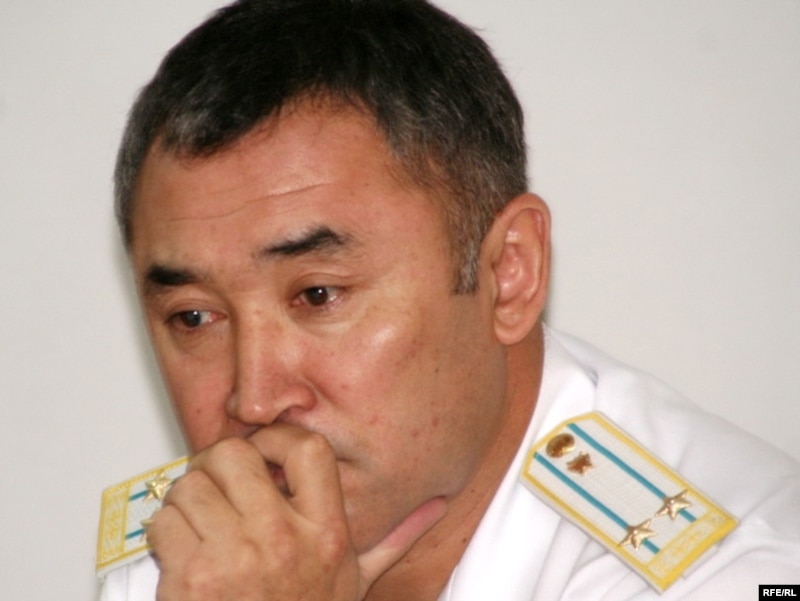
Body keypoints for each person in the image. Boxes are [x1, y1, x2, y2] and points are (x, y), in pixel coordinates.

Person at [99, 0, 800, 599]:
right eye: (194, 317)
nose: (254, 399)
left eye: (318, 294)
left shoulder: (731, 573)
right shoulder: (190, 557)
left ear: (509, 274)